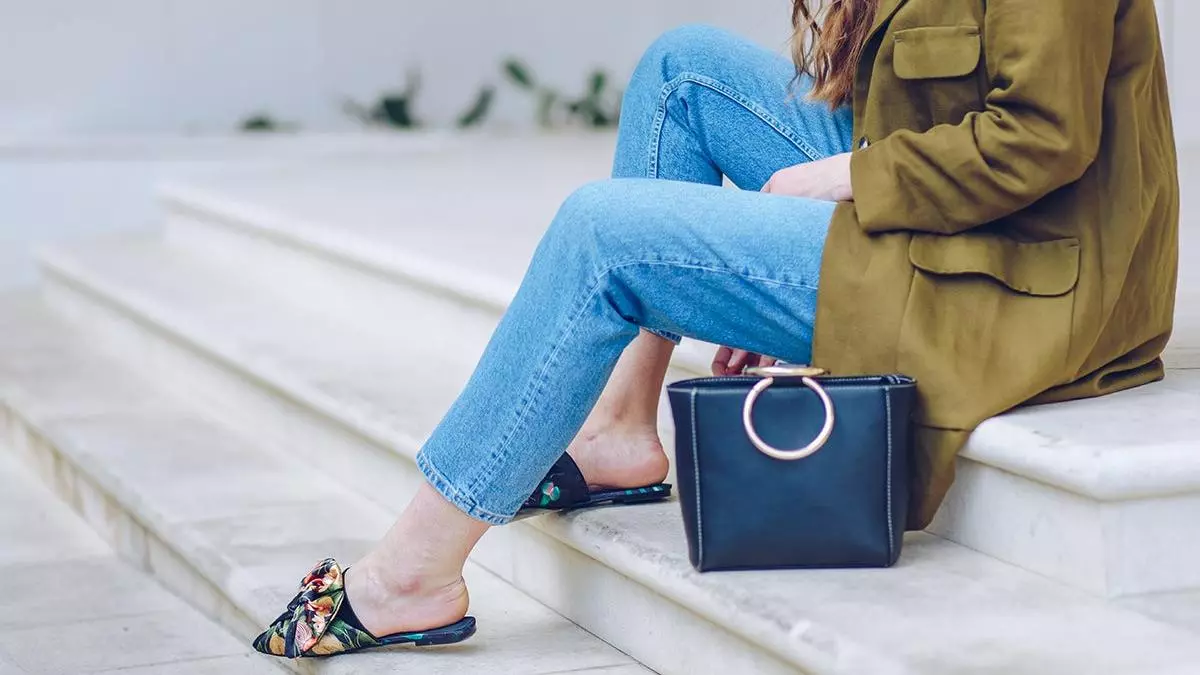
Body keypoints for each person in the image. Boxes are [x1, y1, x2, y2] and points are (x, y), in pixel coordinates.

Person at [254, 0, 1178, 658]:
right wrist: (799, 227)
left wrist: (846, 181)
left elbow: (1041, 136)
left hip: (1020, 267)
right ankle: (620, 433)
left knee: (604, 234)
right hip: (945, 210)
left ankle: (413, 574)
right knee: (681, 69)